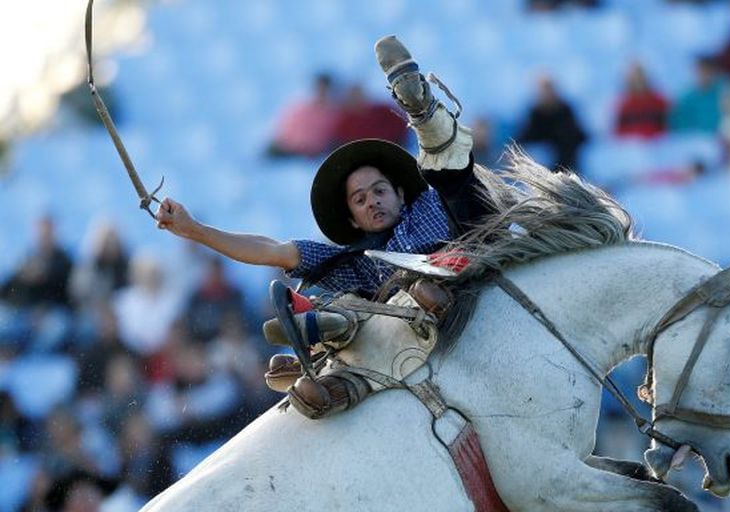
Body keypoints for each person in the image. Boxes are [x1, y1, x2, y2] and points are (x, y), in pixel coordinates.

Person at [156, 35, 489, 419]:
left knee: (450, 174)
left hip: (469, 258)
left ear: (399, 192)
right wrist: (194, 230)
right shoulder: (354, 261)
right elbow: (272, 250)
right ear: (351, 218)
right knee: (348, 312)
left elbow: (456, 182)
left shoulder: (430, 203)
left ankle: (421, 108)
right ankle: (325, 358)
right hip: (407, 329)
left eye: (379, 191)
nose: (373, 201)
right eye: (360, 199)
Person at [517, 74, 588, 170]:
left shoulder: (566, 110)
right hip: (543, 164)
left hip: (567, 162)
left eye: (549, 88)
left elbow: (577, 136)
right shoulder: (534, 113)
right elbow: (525, 137)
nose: (547, 93)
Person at [266, 72, 344, 158]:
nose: (322, 92)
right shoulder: (300, 107)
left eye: (325, 89)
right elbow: (284, 132)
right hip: (292, 149)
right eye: (320, 88)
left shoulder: (335, 112)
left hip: (317, 153)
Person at [668, 57, 728, 135]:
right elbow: (677, 123)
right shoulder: (687, 98)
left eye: (707, 72)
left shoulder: (725, 90)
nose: (703, 75)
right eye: (700, 72)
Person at [614, 61, 669, 139]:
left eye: (640, 77)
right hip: (633, 147)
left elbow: (670, 128)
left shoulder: (660, 102)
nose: (638, 81)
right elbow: (619, 133)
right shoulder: (624, 105)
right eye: (634, 79)